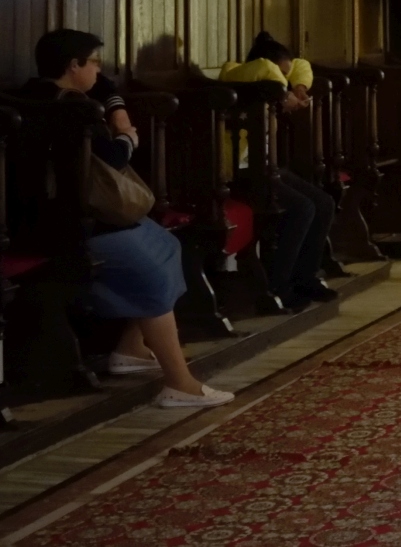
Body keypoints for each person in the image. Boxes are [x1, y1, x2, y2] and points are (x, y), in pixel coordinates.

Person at [19, 29, 232, 408]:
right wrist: (128, 137)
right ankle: (179, 382)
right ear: (73, 65)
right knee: (149, 271)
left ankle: (130, 349)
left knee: (166, 243)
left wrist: (115, 105)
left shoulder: (33, 92)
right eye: (94, 62)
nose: (100, 71)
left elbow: (105, 85)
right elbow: (114, 159)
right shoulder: (73, 110)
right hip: (73, 224)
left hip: (58, 217)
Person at [222, 33, 338, 313]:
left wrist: (296, 88)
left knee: (324, 203)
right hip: (239, 171)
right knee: (302, 207)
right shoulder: (235, 74)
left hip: (266, 165)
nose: (282, 82)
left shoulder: (270, 77)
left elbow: (301, 65)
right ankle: (280, 286)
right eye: (280, 75)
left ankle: (305, 277)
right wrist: (281, 89)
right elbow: (265, 67)